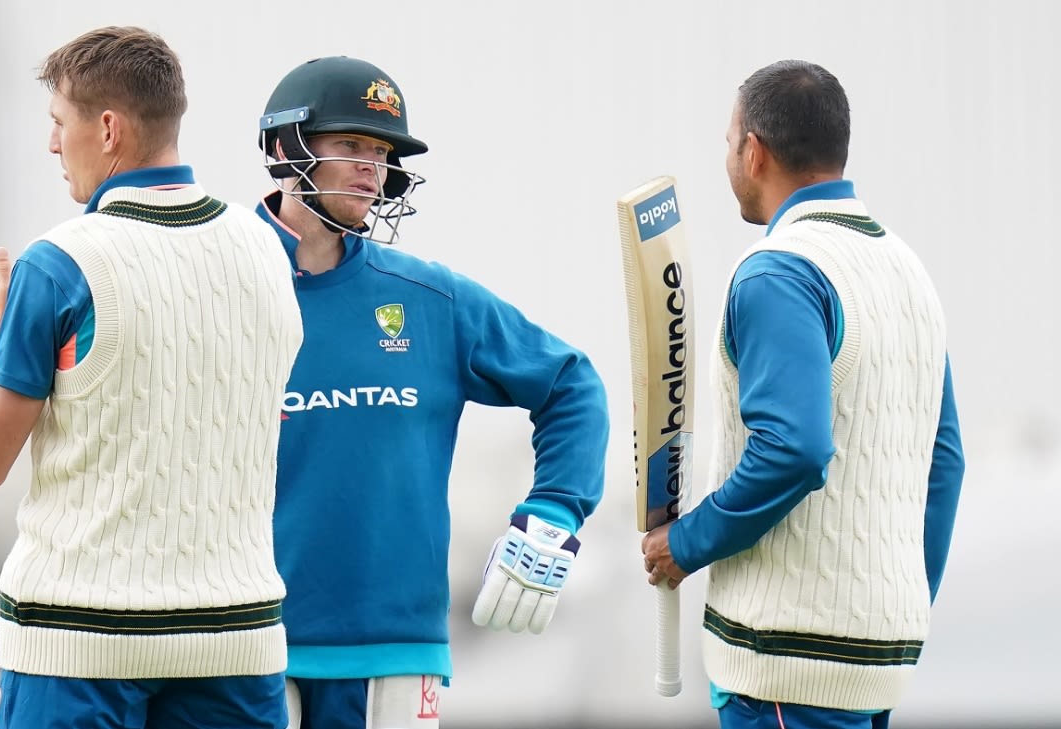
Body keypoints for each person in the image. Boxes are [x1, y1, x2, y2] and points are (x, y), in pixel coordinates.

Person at [0, 26, 302, 729]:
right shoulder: (266, 250)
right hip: (236, 641)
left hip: (80, 647)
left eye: (59, 124)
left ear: (106, 128)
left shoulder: (61, 263)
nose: (52, 145)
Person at [252, 56, 610, 729]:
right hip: (248, 646)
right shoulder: (217, 281)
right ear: (285, 148)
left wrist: (555, 510)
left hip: (396, 648)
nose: (372, 168)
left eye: (382, 152)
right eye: (351, 145)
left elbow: (571, 383)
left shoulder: (428, 298)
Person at [640, 59, 966, 729]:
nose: (728, 158)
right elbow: (946, 459)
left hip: (787, 668)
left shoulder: (778, 273)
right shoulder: (909, 271)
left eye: (729, 143)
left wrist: (689, 541)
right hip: (877, 663)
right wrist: (897, 605)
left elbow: (794, 447)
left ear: (754, 151)